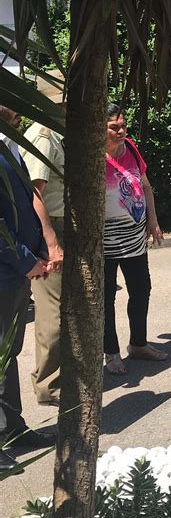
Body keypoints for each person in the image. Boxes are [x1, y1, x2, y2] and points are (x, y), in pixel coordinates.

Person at [0, 106, 56, 473]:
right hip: (7, 269)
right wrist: (25, 259)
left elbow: (22, 208)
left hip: (15, 273)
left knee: (8, 354)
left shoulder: (10, 147)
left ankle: (11, 429)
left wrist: (37, 252)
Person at [104, 104, 168, 374]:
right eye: (114, 127)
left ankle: (138, 344)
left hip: (134, 238)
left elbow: (145, 186)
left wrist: (153, 221)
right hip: (104, 242)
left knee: (141, 290)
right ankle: (111, 353)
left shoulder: (130, 147)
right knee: (106, 299)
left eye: (123, 126)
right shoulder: (93, 156)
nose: (121, 131)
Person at [21, 120, 64, 407]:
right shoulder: (43, 135)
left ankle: (52, 377)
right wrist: (50, 241)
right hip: (51, 227)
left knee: (61, 309)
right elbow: (35, 192)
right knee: (53, 313)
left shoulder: (59, 132)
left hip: (62, 225)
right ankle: (49, 386)